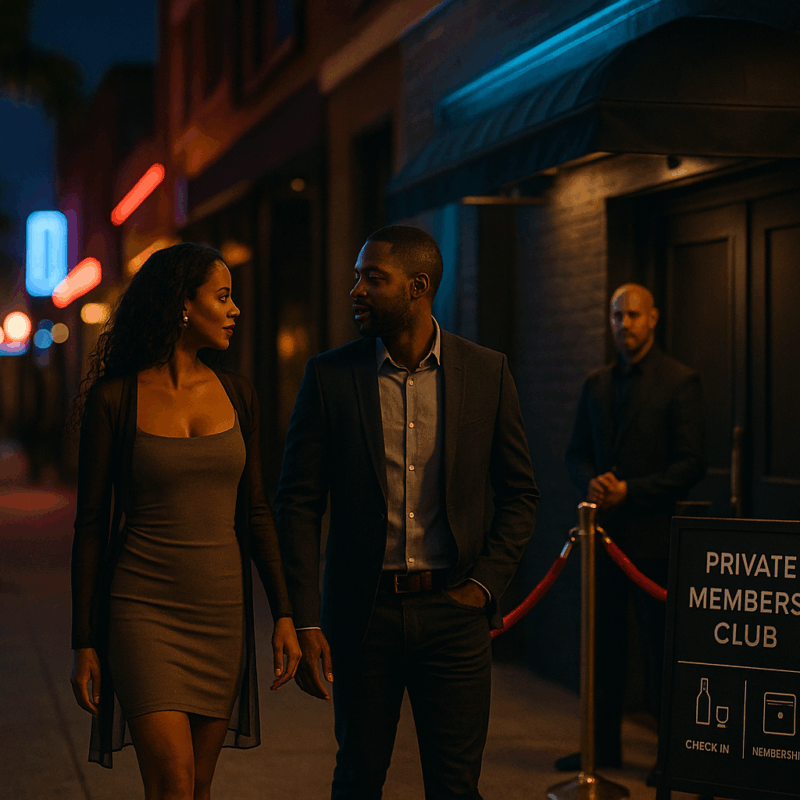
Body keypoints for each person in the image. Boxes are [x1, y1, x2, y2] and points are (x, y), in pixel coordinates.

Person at [275, 224, 539, 800]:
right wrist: (306, 616)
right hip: (363, 618)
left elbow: (521, 494)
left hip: (455, 614)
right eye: (356, 277)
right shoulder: (330, 376)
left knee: (455, 787)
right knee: (357, 779)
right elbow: (296, 503)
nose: (357, 291)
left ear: (418, 287)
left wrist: (483, 588)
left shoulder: (486, 372)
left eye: (374, 278)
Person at [69, 243, 301, 798]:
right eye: (222, 297)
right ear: (182, 305)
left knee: (197, 786)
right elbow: (91, 526)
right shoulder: (116, 399)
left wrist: (285, 613)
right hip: (142, 609)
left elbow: (257, 512)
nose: (234, 310)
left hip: (220, 614)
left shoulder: (238, 395)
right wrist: (83, 639)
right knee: (172, 782)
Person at [557, 283, 705, 772]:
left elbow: (691, 464)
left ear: (653, 318)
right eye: (617, 316)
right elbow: (576, 452)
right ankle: (600, 751)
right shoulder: (596, 383)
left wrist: (631, 491)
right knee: (601, 650)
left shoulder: (679, 381)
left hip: (655, 542)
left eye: (634, 315)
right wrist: (592, 481)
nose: (624, 324)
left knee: (661, 653)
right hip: (602, 541)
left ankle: (670, 755)